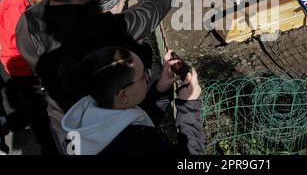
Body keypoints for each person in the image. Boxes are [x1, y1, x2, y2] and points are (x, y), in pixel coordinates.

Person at [15, 0, 199, 113]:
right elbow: (146, 17)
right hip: (100, 118)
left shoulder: (27, 19)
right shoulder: (95, 27)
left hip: (61, 117)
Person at [61, 47, 204, 155]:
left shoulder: (92, 114)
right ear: (123, 95)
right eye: (143, 76)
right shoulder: (141, 144)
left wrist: (159, 91)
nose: (148, 78)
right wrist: (188, 108)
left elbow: (134, 120)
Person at [0, 0, 57, 154]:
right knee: (37, 109)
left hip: (22, 64)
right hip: (20, 66)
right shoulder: (14, 1)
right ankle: (45, 144)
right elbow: (15, 41)